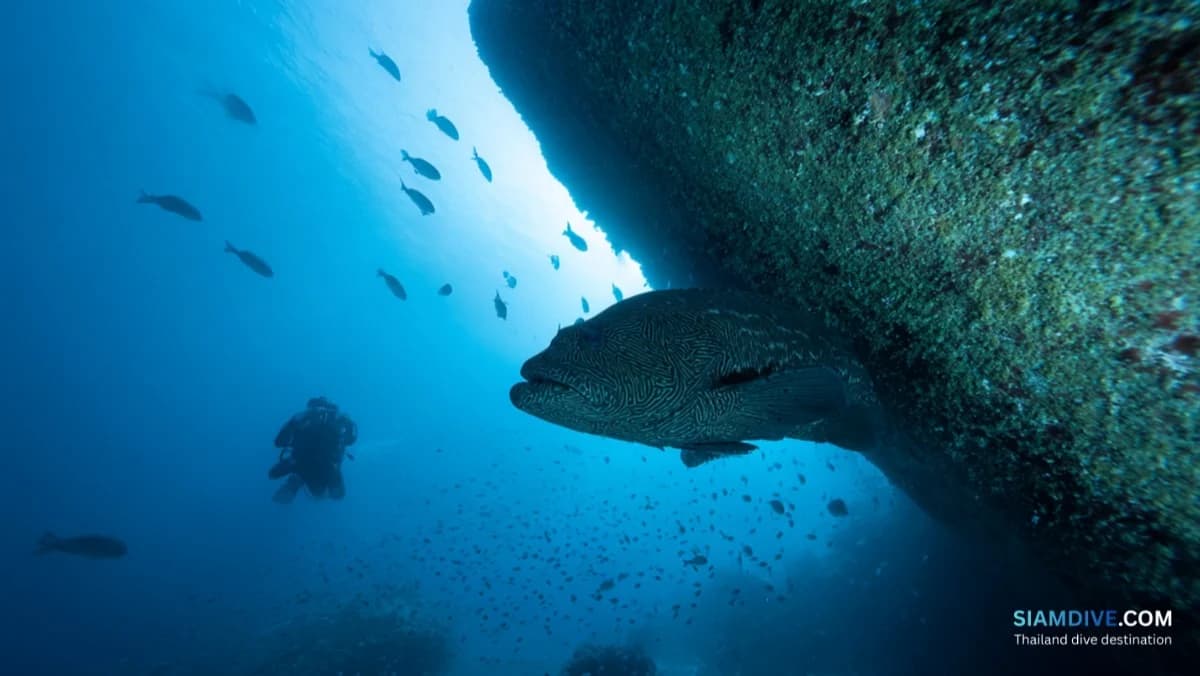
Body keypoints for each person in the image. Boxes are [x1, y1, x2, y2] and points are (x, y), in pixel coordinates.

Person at [269, 396, 357, 503]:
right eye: (316, 410)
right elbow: (279, 442)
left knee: (335, 493)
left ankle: (296, 481)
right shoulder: (302, 422)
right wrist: (294, 421)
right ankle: (295, 481)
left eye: (324, 411)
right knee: (273, 473)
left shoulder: (337, 424)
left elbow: (350, 440)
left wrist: (348, 424)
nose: (320, 414)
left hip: (325, 465)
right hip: (301, 462)